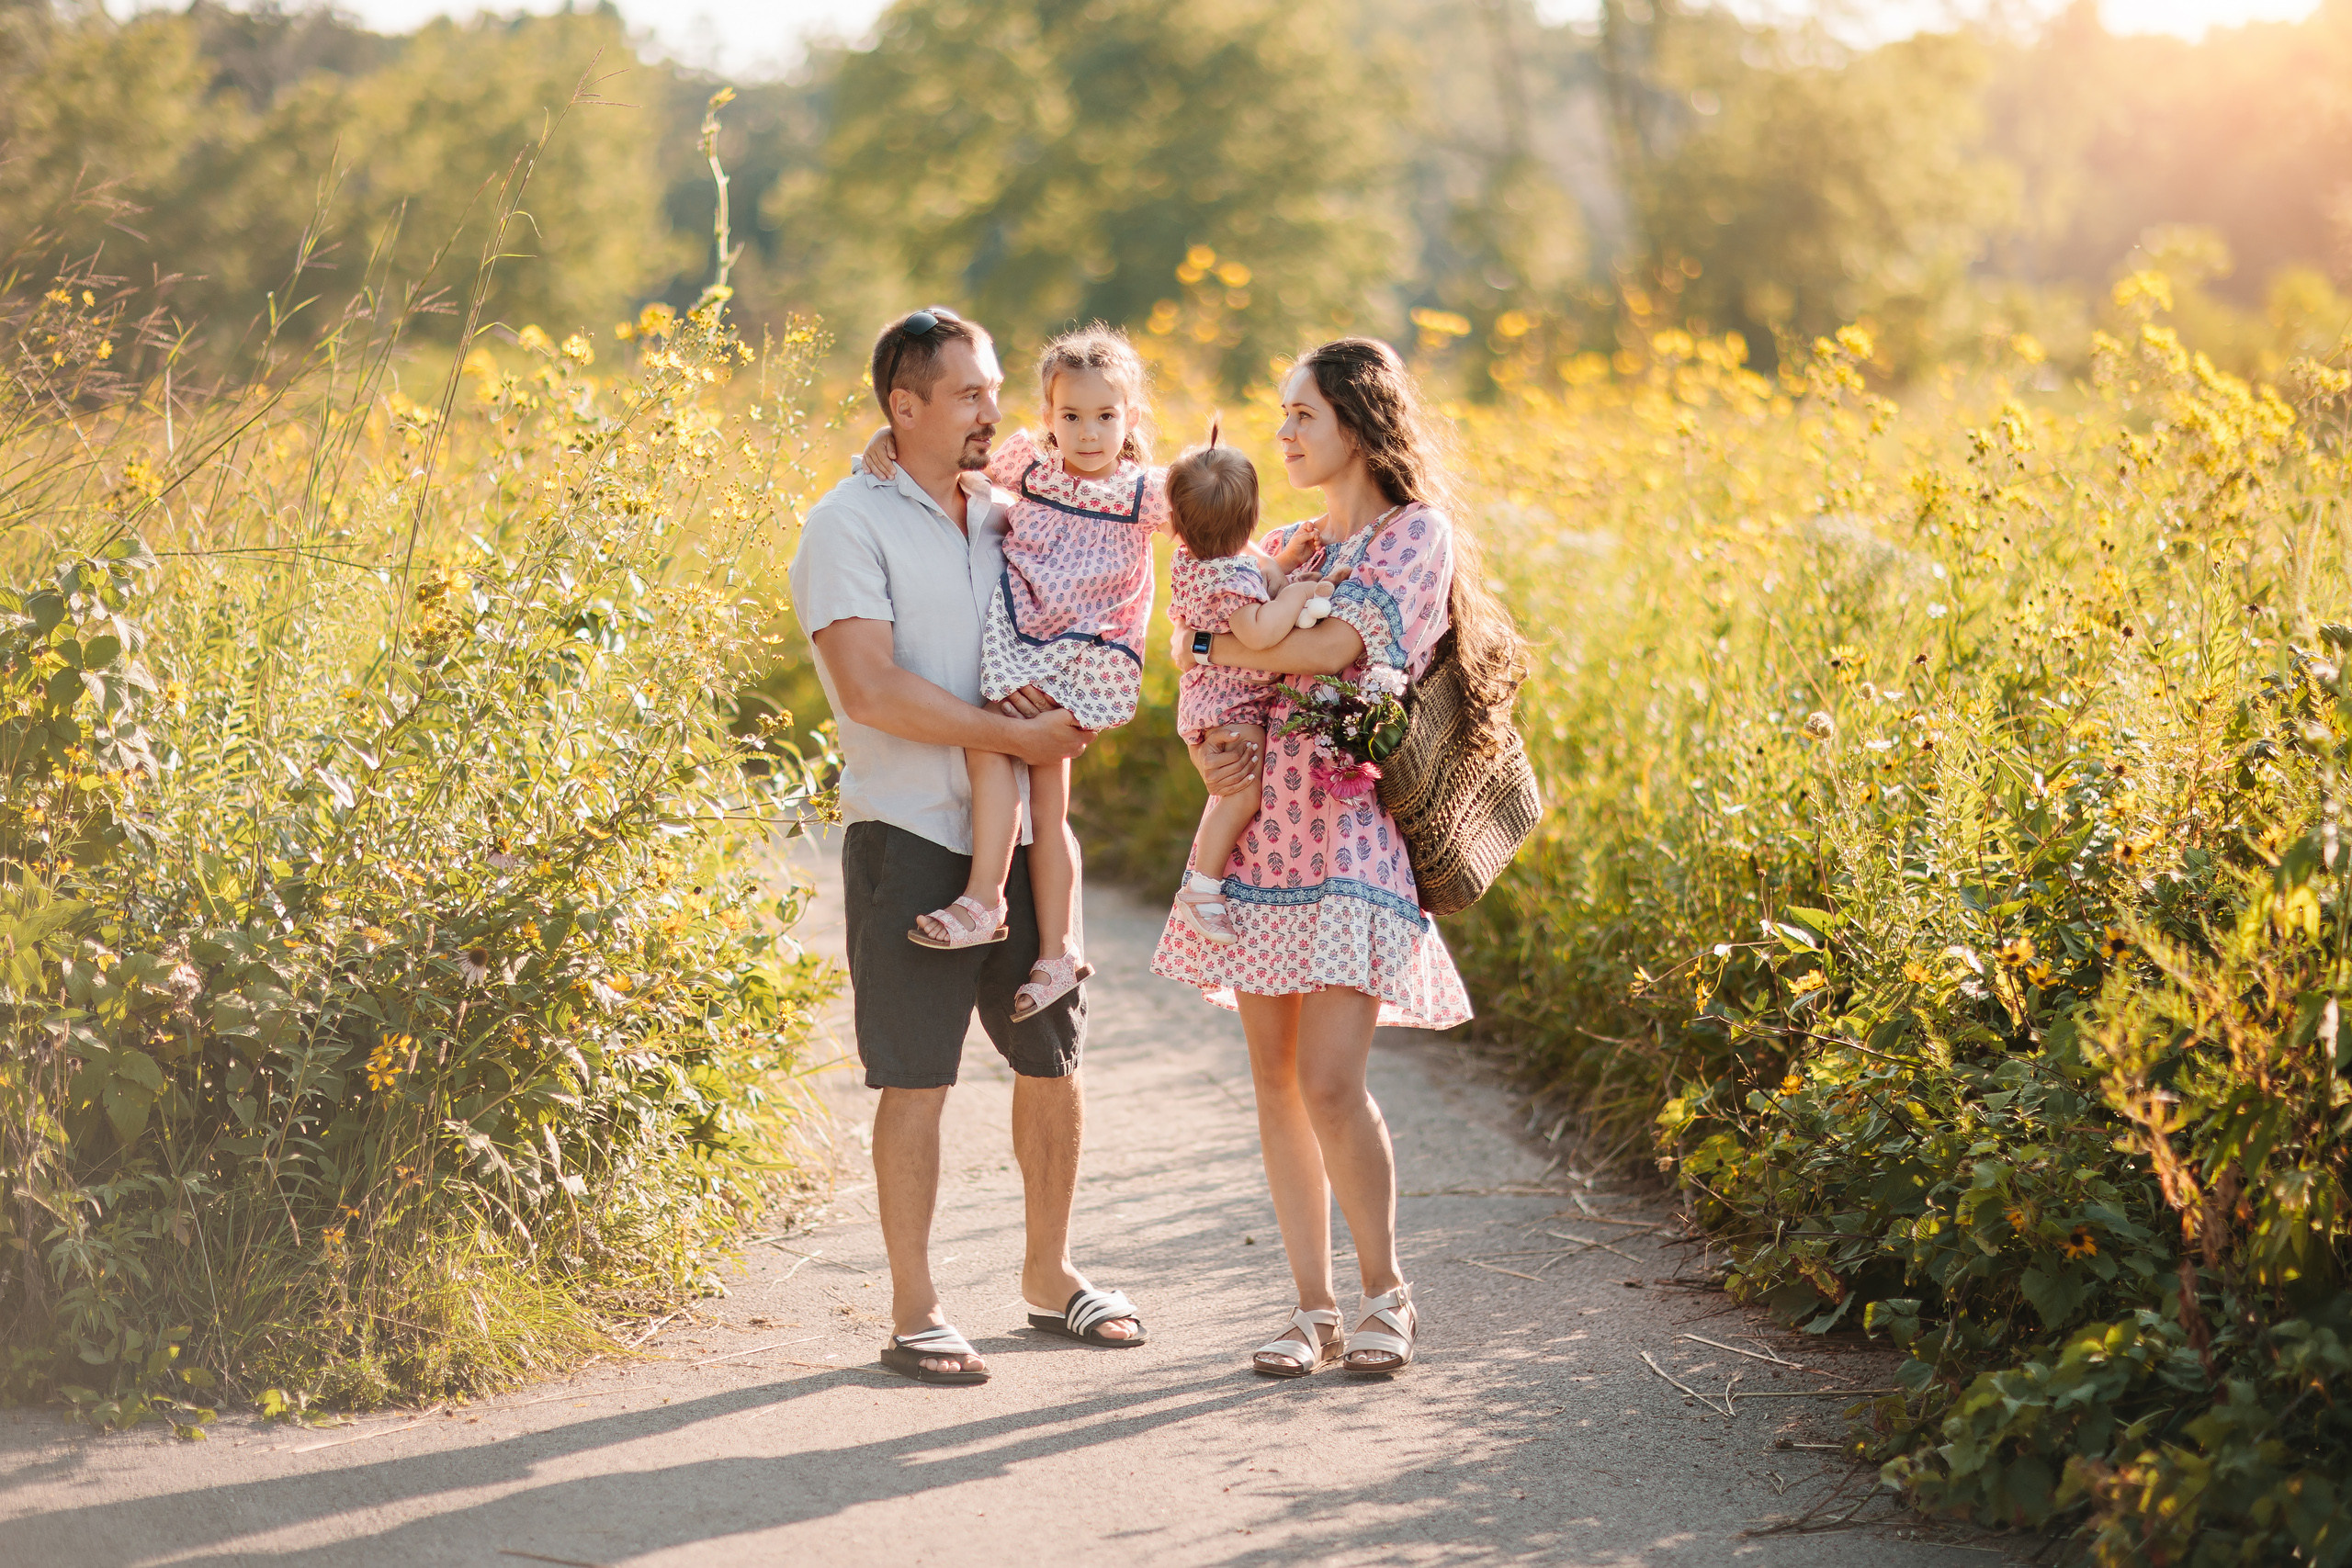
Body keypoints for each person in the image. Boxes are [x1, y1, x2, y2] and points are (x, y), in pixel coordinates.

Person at [1153, 337, 1523, 1379]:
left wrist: (1218, 647)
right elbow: (1205, 660)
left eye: (1302, 415)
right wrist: (1213, 723)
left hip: (1355, 841)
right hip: (1263, 835)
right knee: (1271, 1082)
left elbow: (1327, 651)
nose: (1283, 434)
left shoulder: (1416, 537)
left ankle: (1384, 1292)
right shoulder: (1285, 542)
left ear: (1358, 424)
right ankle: (1310, 1310)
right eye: (1280, 415)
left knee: (1327, 1082)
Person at [789, 307, 1144, 1386]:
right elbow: (869, 687)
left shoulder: (1013, 506)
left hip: (1028, 835)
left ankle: (1049, 1275)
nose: (998, 411)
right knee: (916, 1078)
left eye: (996, 389)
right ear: (905, 408)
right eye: (971, 394)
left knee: (1051, 1059)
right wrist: (1012, 734)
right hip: (908, 836)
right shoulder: (844, 525)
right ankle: (916, 1307)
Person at [864, 326, 1166, 1021]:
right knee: (1024, 780)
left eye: (1105, 416)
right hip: (1028, 647)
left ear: (1131, 419)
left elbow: (1213, 519)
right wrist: (880, 445)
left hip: (1086, 658)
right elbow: (948, 467)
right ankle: (1042, 941)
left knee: (1009, 762)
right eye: (1070, 416)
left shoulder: (1142, 491)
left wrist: (1277, 559)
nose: (1088, 433)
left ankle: (993, 904)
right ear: (1048, 418)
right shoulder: (1030, 468)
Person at [1159, 428, 1340, 947]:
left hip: (1215, 697)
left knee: (1239, 792)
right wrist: (1300, 591)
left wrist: (1282, 566)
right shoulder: (1230, 575)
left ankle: (1205, 885)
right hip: (1229, 704)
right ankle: (1202, 887)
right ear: (1253, 515)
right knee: (1239, 797)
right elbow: (1258, 631)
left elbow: (1251, 587)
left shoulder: (1200, 561)